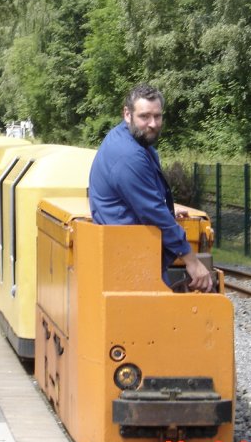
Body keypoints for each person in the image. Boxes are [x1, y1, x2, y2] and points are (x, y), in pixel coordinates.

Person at [88, 84, 213, 292]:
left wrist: (168, 210)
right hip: (131, 261)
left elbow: (149, 202)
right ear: (127, 114)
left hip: (134, 251)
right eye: (144, 116)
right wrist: (191, 260)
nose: (153, 124)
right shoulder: (128, 156)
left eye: (157, 116)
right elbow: (153, 212)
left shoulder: (131, 140)